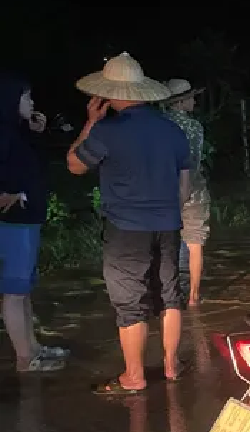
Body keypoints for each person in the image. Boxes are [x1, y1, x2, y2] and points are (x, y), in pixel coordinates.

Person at [66, 53, 190, 395]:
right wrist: (170, 214)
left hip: (126, 229)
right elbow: (184, 185)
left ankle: (134, 376)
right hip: (168, 223)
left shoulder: (107, 131)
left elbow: (74, 165)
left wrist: (90, 122)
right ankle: (171, 365)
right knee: (169, 294)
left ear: (110, 92)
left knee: (130, 299)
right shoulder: (172, 129)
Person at [0, 76, 70, 372]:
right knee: (14, 291)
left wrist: (37, 133)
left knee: (24, 290)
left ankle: (33, 348)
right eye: (26, 97)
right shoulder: (3, 134)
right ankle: (25, 359)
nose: (32, 103)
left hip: (27, 220)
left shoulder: (17, 132)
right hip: (13, 223)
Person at [163, 79, 211, 306]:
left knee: (165, 243)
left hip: (163, 190)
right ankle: (194, 296)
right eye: (191, 98)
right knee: (194, 242)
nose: (194, 101)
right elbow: (195, 160)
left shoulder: (159, 125)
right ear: (180, 102)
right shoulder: (194, 127)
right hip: (193, 189)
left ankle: (168, 295)